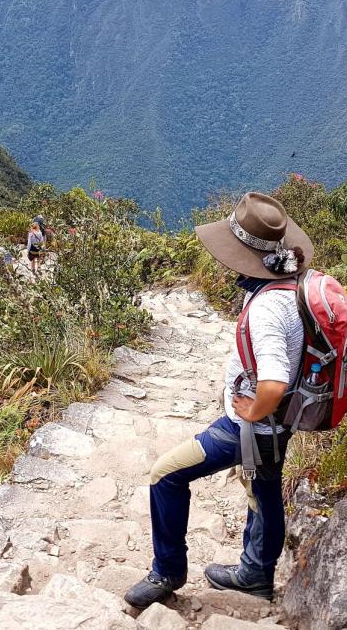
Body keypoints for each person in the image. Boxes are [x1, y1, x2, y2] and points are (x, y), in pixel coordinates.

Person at [124, 192, 314, 609]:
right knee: (263, 491)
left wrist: (253, 409)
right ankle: (256, 574)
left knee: (165, 475)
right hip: (279, 425)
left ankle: (167, 572)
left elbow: (274, 382)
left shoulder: (267, 308)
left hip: (253, 426)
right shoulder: (290, 282)